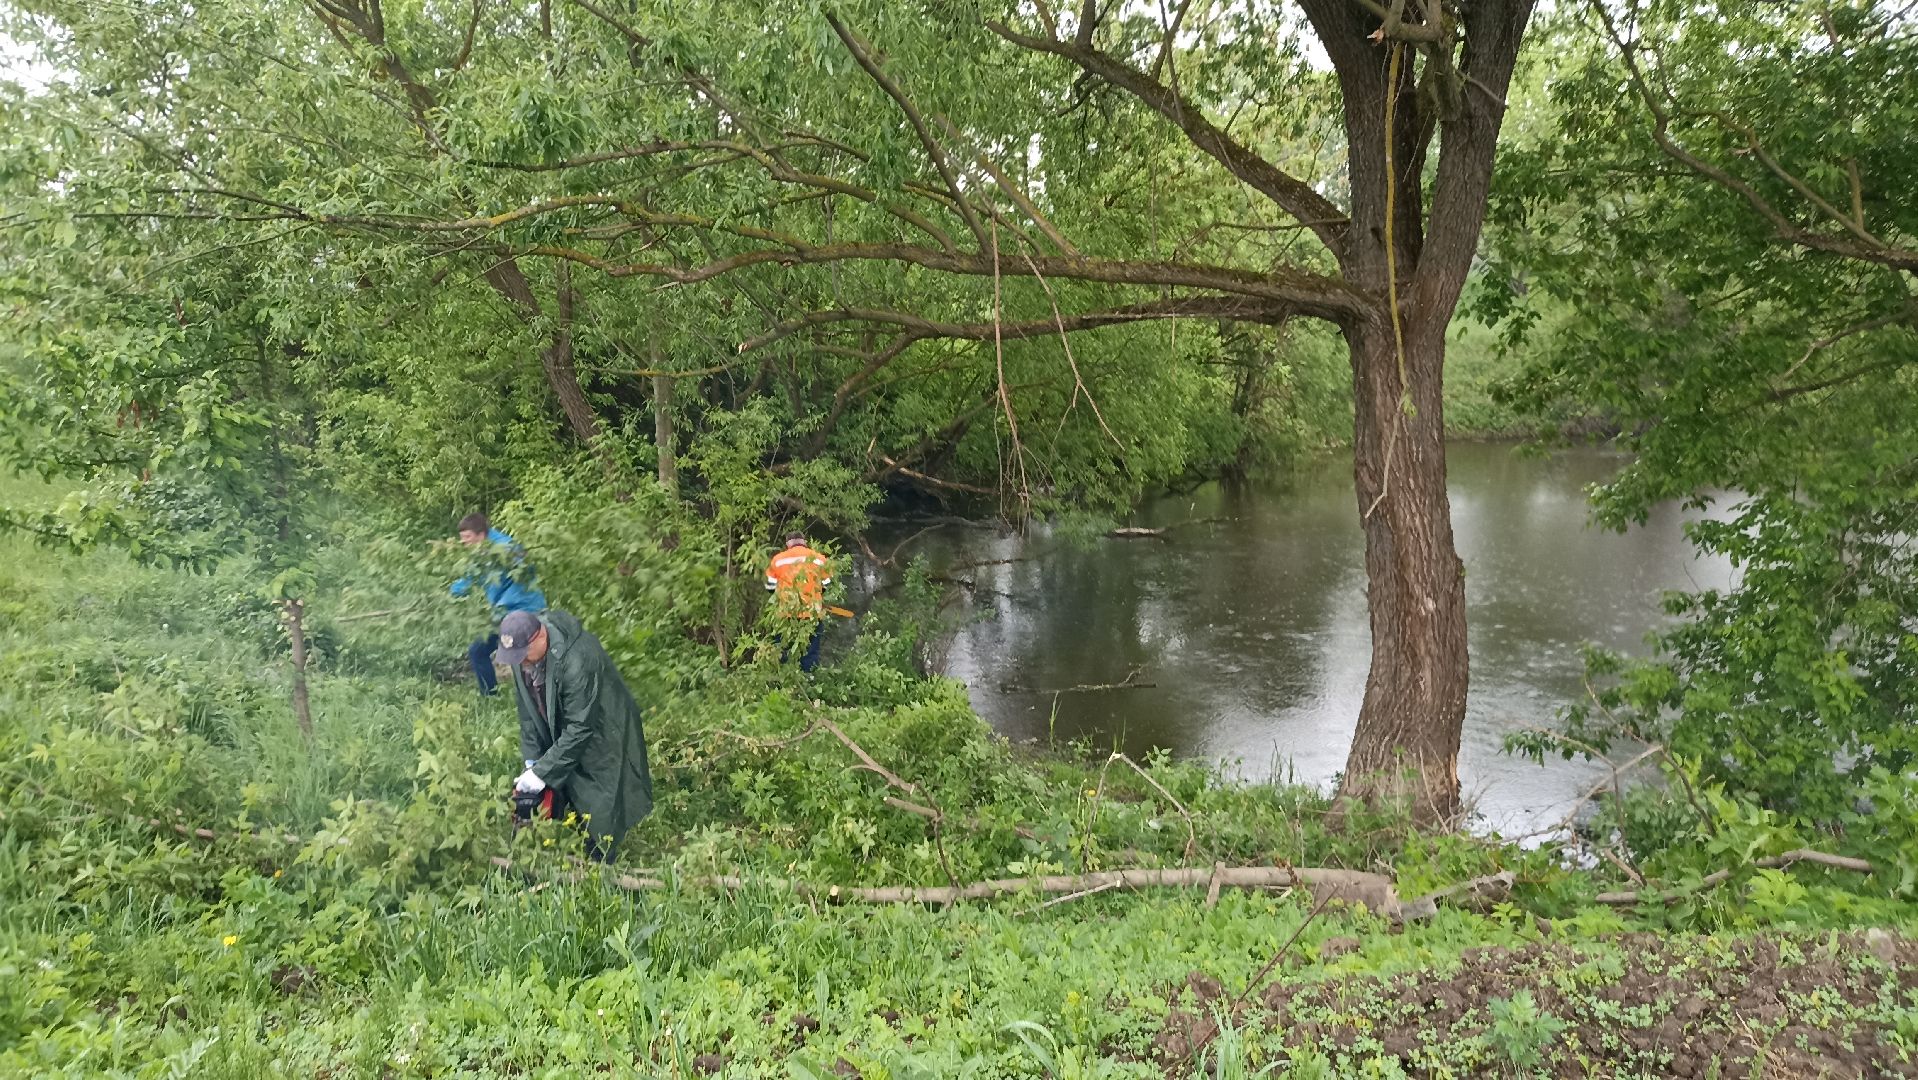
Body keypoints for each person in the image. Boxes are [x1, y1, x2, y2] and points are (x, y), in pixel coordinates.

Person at [497, 608, 653, 862]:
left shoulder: (577, 659)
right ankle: (553, 849)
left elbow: (580, 728)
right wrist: (533, 763)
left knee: (600, 793)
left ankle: (601, 867)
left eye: (523, 655)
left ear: (539, 638)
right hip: (560, 722)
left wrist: (543, 772)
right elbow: (528, 716)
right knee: (554, 781)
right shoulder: (523, 657)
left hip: (601, 727)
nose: (519, 662)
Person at [450, 512, 546, 696]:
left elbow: (526, 571)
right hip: (504, 613)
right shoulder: (482, 551)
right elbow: (471, 578)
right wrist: (449, 594)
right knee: (479, 652)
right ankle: (491, 697)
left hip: (522, 611)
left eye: (467, 537)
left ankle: (533, 700)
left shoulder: (505, 548)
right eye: (462, 539)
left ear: (481, 534)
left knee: (520, 658)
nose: (464, 542)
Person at [764, 532, 833, 673]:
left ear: (787, 543)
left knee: (781, 648)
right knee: (810, 652)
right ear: (805, 542)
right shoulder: (819, 559)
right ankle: (809, 683)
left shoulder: (778, 560)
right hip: (812, 613)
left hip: (786, 614)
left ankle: (781, 681)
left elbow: (770, 587)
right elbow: (826, 583)